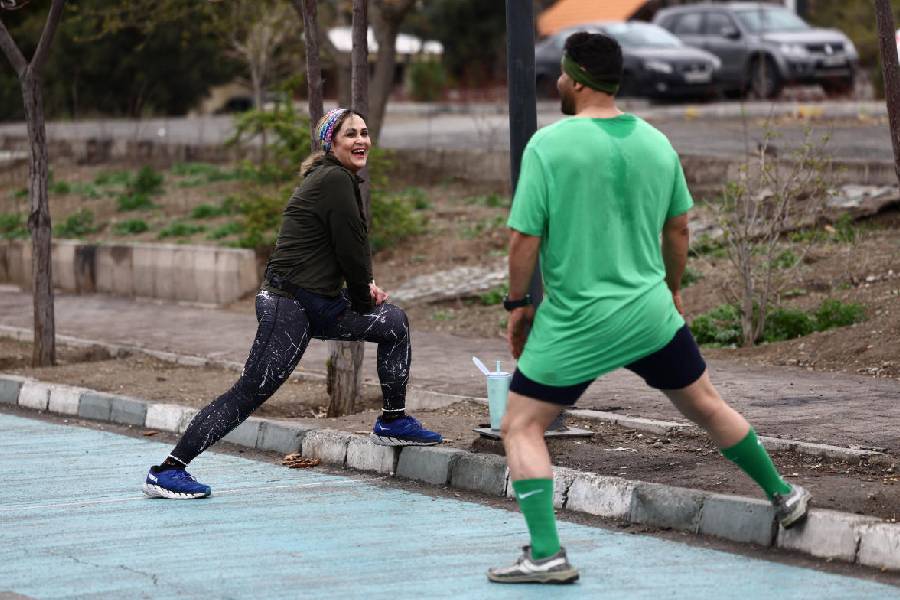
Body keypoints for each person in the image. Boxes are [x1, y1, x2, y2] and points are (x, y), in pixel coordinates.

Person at [487, 32, 810, 584]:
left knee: (520, 425)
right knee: (707, 406)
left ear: (576, 80)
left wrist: (518, 305)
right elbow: (678, 228)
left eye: (561, 74)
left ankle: (546, 554)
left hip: (579, 322)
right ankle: (784, 495)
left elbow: (523, 239)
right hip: (650, 316)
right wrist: (673, 288)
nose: (557, 82)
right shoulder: (658, 143)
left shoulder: (548, 145)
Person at [143, 108, 442, 500]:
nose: (361, 140)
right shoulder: (334, 178)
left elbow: (339, 246)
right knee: (251, 391)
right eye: (351, 134)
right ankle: (168, 470)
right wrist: (362, 294)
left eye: (365, 133)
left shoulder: (338, 178)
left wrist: (365, 289)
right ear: (331, 143)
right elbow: (353, 249)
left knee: (393, 323)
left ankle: (393, 421)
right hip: (289, 304)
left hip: (320, 301)